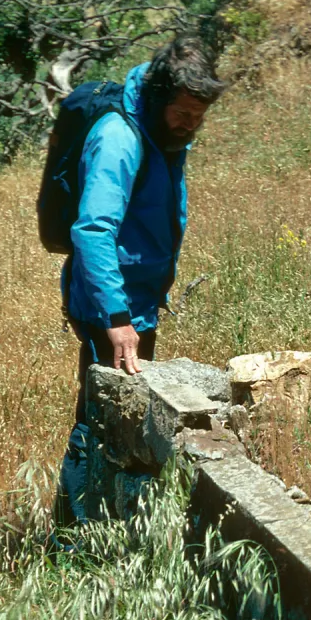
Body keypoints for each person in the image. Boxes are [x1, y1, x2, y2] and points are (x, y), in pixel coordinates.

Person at [54, 35, 225, 528]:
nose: (190, 124)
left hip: (135, 302)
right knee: (97, 423)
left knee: (123, 416)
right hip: (110, 307)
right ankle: (71, 541)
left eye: (199, 116)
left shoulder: (160, 130)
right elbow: (93, 230)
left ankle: (111, 524)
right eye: (183, 113)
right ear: (157, 96)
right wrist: (117, 319)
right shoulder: (120, 137)